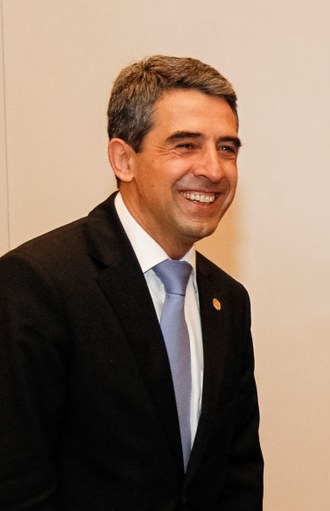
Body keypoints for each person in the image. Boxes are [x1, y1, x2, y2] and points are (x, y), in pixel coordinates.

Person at [0, 55, 263, 509]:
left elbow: (238, 476)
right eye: (185, 145)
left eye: (227, 148)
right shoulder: (36, 283)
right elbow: (17, 483)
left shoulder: (228, 300)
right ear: (124, 158)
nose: (215, 170)